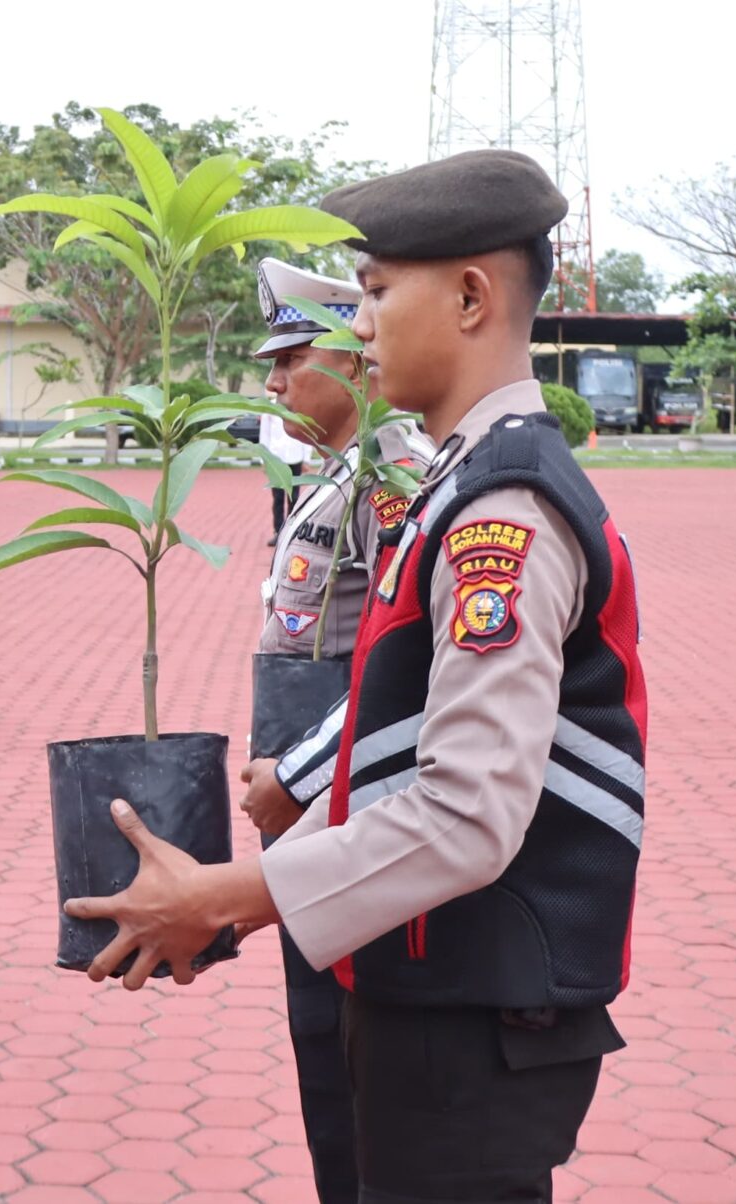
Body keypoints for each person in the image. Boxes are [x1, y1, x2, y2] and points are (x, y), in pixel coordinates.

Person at [63, 150, 648, 1204]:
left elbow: (468, 810)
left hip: (474, 1002)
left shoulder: (499, 508)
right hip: (437, 976)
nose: (358, 323)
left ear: (469, 297)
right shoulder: (459, 479)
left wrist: (226, 897)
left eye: (376, 292)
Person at [241, 256, 432, 1204]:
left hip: (349, 803)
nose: (273, 383)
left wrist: (304, 776)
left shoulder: (388, 474)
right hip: (306, 802)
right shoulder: (327, 475)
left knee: (355, 1049)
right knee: (320, 1043)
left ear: (353, 359)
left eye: (291, 357)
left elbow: (405, 666)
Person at [258, 409, 315, 545]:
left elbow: (305, 433)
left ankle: (292, 531)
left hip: (295, 457)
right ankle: (278, 532)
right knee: (278, 498)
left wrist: (306, 458)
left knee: (294, 497)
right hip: (276, 458)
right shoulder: (270, 410)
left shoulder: (298, 407)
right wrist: (264, 459)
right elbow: (264, 435)